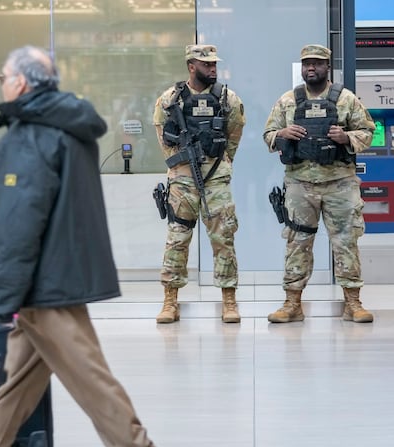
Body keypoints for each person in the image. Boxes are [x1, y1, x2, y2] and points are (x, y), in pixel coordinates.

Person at [0, 46, 183, 447]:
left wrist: (5, 293)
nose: (2, 84)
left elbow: (22, 222)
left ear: (22, 82)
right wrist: (0, 193)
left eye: (3, 76)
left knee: (86, 372)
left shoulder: (27, 133)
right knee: (24, 371)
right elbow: (44, 190)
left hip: (43, 279)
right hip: (64, 265)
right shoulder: (67, 123)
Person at [263, 44, 376, 324]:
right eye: (306, 64)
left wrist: (346, 138)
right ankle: (292, 303)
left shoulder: (346, 99)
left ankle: (353, 302)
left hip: (339, 182)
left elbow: (369, 131)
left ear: (328, 67)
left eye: (317, 63)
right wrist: (282, 133)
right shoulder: (288, 101)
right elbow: (267, 134)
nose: (310, 68)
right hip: (300, 183)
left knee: (346, 241)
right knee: (297, 243)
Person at [152, 44, 246, 324]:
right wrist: (180, 164)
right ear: (191, 66)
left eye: (215, 64)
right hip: (182, 180)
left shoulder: (227, 98)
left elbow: (235, 134)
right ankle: (170, 301)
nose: (213, 69)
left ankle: (229, 299)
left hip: (215, 179)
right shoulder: (170, 99)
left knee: (224, 237)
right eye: (207, 65)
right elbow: (161, 135)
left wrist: (220, 163)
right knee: (177, 239)